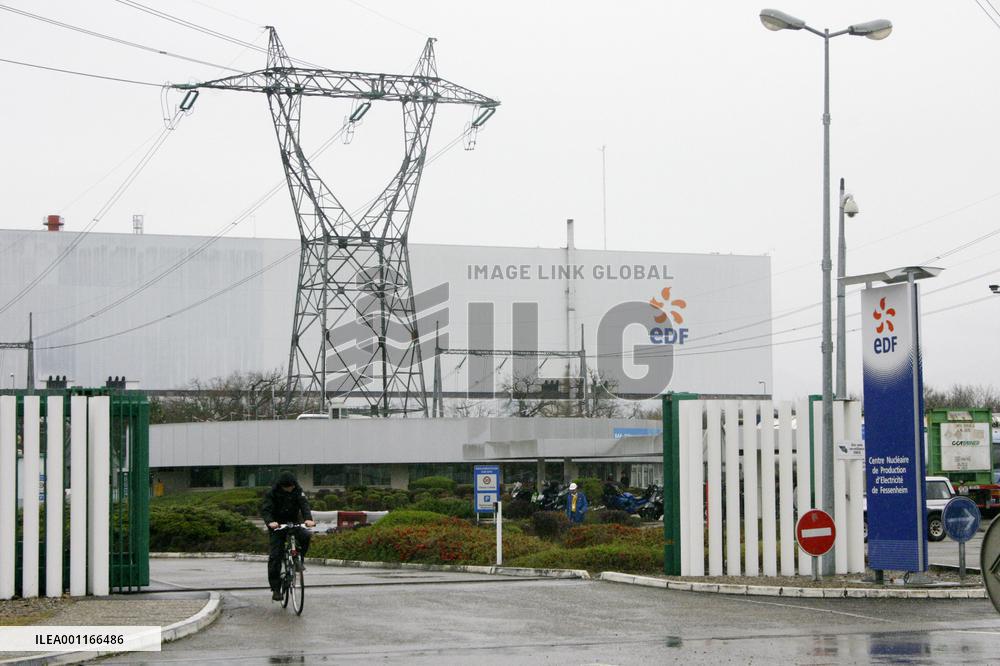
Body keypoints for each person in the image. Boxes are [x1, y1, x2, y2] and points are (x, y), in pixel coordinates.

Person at [261, 471, 316, 601]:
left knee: (306, 536)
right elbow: (266, 509)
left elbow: (304, 505)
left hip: (293, 523)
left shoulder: (297, 490)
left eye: (291, 486)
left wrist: (308, 519)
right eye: (286, 487)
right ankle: (275, 589)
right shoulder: (272, 493)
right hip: (277, 526)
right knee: (275, 556)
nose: (289, 489)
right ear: (281, 486)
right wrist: (270, 522)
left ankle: (299, 560)